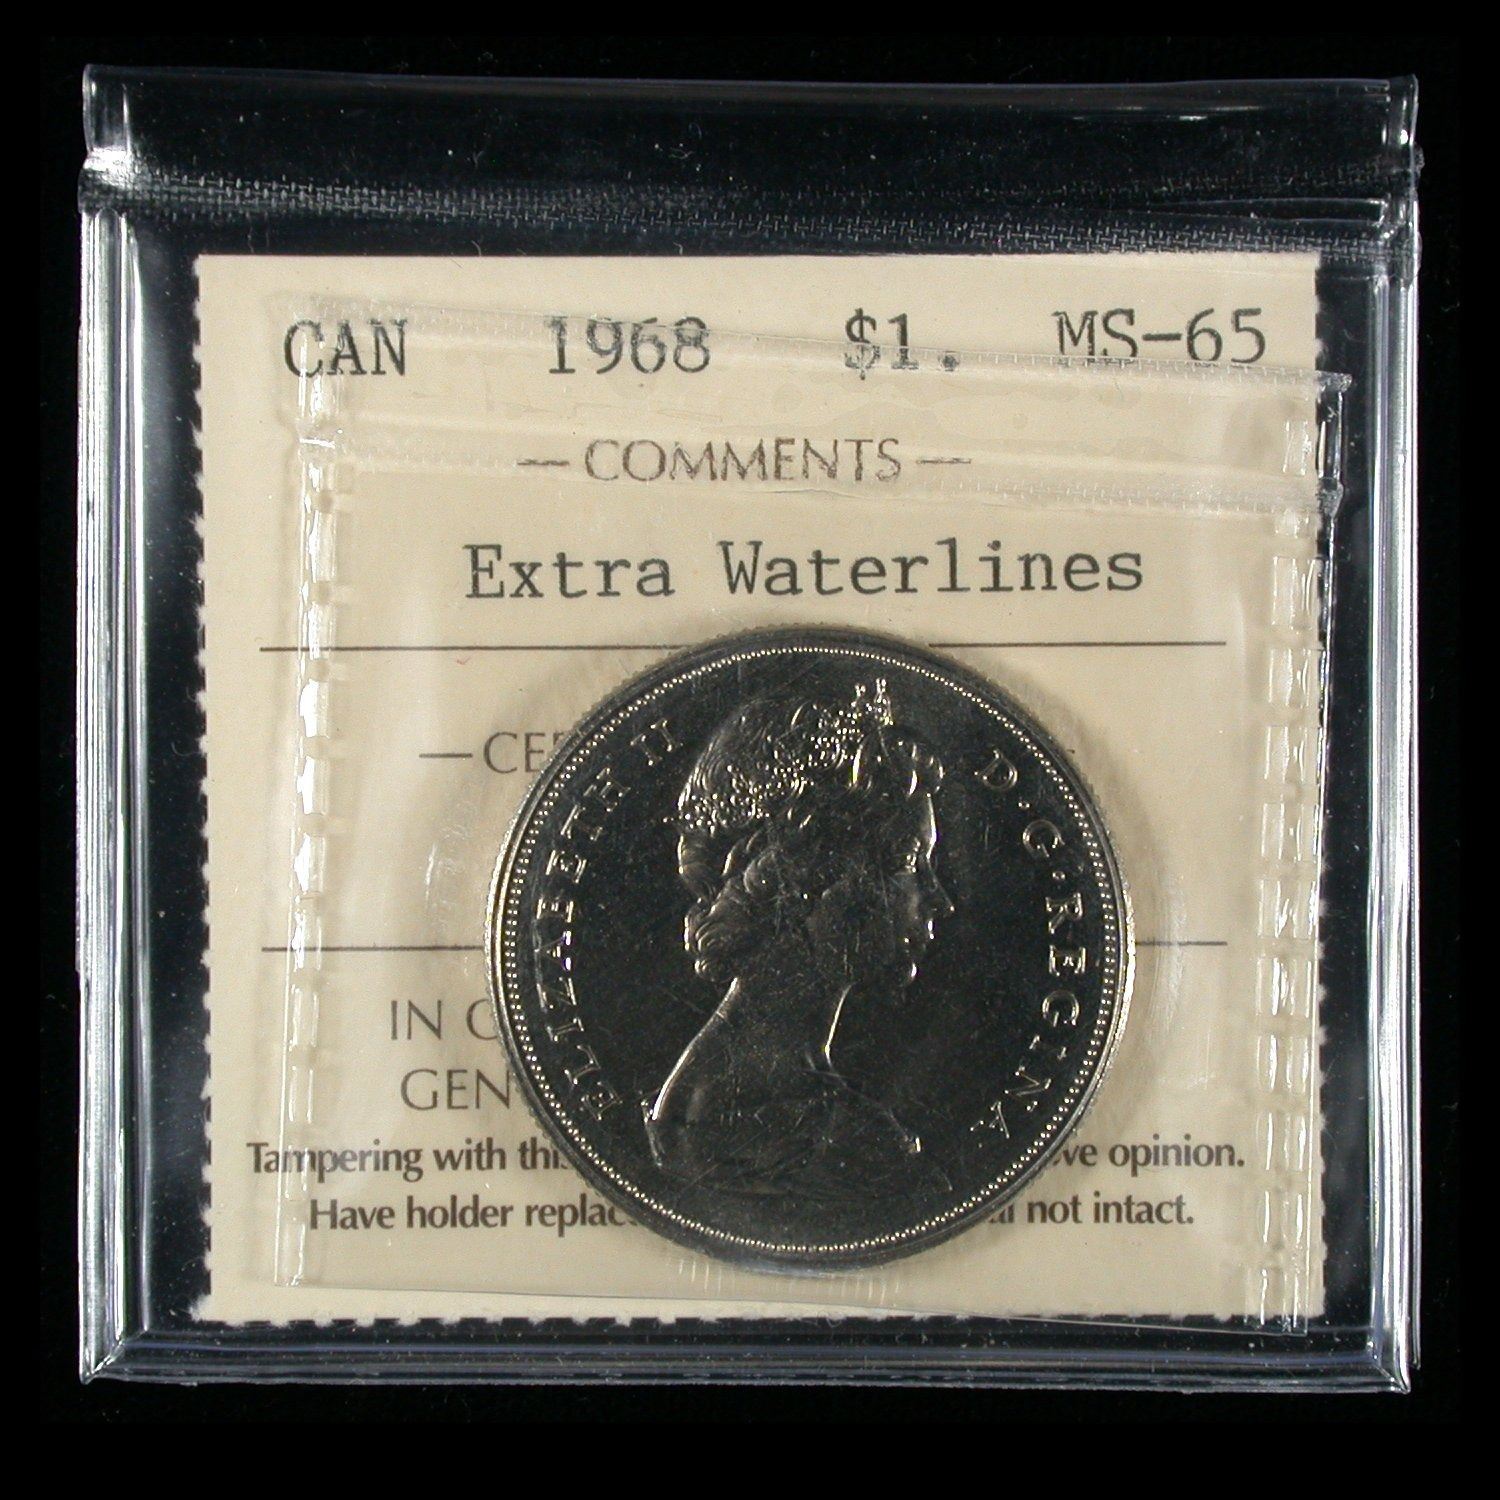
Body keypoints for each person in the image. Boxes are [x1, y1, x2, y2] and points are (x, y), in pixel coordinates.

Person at [644, 678, 954, 1203]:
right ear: (810, 879)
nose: (938, 899)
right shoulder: (844, 1141)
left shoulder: (717, 1091)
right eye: (906, 861)